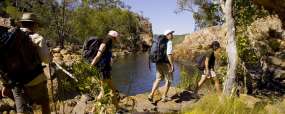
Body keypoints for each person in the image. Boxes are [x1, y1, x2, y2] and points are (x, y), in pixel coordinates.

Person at [1, 12, 51, 114]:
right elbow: (46, 59)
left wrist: (5, 84)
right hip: (35, 80)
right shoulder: (37, 38)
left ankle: (27, 107)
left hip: (16, 82)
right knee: (45, 102)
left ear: (22, 23)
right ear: (34, 24)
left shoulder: (9, 37)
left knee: (22, 109)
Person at [90, 30, 119, 106]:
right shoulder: (104, 44)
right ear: (112, 38)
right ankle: (93, 110)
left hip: (106, 70)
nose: (116, 40)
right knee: (103, 92)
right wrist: (90, 66)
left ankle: (118, 108)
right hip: (103, 70)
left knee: (113, 90)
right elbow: (98, 56)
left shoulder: (109, 45)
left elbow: (106, 57)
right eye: (115, 38)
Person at [148, 30, 175, 102]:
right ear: (168, 35)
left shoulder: (159, 41)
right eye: (171, 34)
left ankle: (151, 95)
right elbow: (169, 55)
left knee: (158, 79)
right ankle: (164, 97)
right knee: (168, 80)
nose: (172, 35)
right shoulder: (169, 42)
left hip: (158, 62)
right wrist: (172, 65)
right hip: (166, 64)